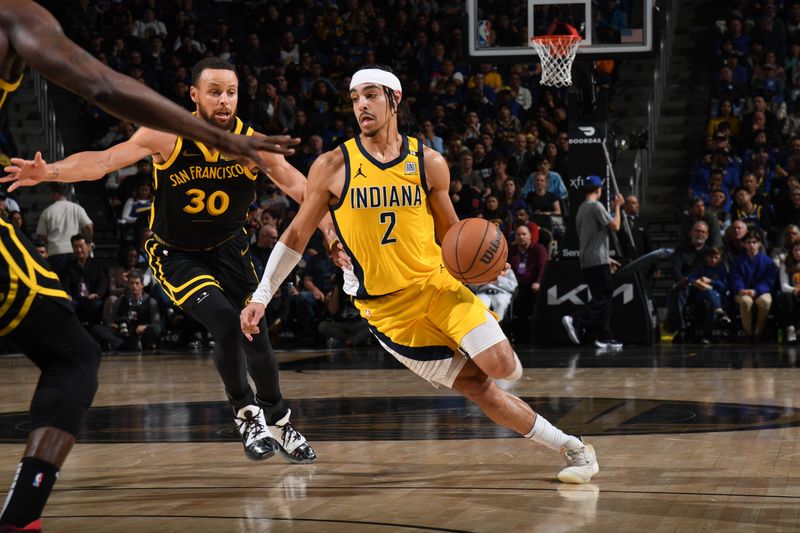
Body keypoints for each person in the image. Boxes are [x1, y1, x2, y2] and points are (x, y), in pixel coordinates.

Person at [0, 1, 300, 529]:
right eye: (214, 91)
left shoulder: (254, 143)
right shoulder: (165, 134)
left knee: (258, 335)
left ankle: (281, 419)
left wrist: (332, 229)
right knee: (227, 322)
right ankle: (247, 414)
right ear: (193, 95)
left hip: (231, 250)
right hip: (176, 253)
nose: (225, 99)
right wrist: (55, 170)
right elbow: (104, 161)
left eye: (231, 91)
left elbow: (301, 188)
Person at [240, 65, 599, 484]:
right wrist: (262, 296)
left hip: (437, 285)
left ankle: (496, 364)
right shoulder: (333, 165)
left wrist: (488, 260)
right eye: (355, 99)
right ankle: (573, 448)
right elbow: (297, 234)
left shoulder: (429, 162)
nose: (361, 106)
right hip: (388, 311)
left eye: (370, 96)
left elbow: (453, 233)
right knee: (479, 388)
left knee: (501, 367)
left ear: (394, 99)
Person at [561, 175, 625, 350]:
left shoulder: (581, 208)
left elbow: (590, 238)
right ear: (598, 190)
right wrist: (618, 206)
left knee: (602, 297)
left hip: (589, 259)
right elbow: (616, 226)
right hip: (597, 260)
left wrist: (607, 257)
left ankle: (603, 337)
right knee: (604, 295)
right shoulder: (596, 206)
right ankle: (576, 319)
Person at [90, 269, 161, 351]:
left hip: (140, 335)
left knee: (155, 329)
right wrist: (114, 325)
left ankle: (133, 344)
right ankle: (122, 344)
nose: (134, 286)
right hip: (123, 333)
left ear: (142, 285)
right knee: (96, 329)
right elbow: (113, 320)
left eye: (137, 283)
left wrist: (145, 327)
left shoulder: (150, 301)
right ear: (128, 285)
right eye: (131, 283)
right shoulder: (121, 300)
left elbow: (157, 323)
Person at [35, 182, 94, 275]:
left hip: (55, 253)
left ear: (55, 194)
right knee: (76, 283)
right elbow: (89, 226)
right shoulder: (77, 208)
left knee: (59, 284)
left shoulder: (47, 211)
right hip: (75, 251)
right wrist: (88, 241)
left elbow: (41, 236)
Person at [731, 230, 777, 341]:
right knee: (746, 301)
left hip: (761, 292)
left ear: (759, 243)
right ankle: (748, 333)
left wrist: (756, 291)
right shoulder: (738, 261)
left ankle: (758, 333)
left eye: (754, 242)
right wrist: (741, 289)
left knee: (766, 301)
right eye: (748, 242)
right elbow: (735, 277)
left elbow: (769, 281)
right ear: (744, 244)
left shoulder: (767, 261)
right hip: (742, 292)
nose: (752, 245)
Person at [687, 247, 732, 343]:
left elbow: (725, 286)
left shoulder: (722, 268)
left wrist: (711, 281)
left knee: (710, 302)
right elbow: (690, 278)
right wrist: (697, 282)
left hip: (718, 297)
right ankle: (720, 312)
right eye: (711, 257)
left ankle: (707, 335)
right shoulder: (701, 267)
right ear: (706, 258)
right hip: (701, 295)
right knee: (708, 292)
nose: (713, 260)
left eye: (716, 257)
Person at [776, 240, 800, 343]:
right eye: (796, 250)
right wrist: (795, 289)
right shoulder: (786, 265)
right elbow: (784, 285)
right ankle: (791, 329)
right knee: (786, 297)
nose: (798, 253)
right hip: (792, 293)